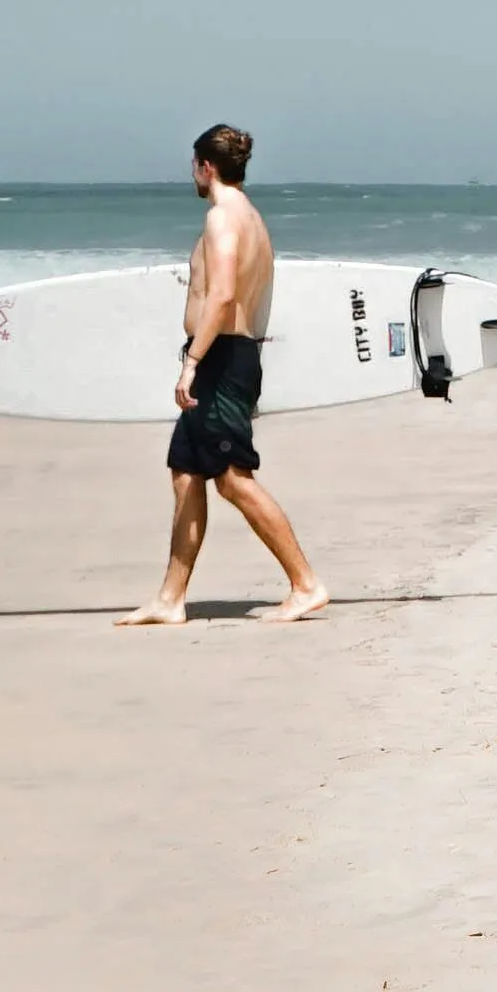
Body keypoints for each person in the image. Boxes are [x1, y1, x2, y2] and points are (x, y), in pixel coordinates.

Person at [120, 123, 329, 625]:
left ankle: (306, 584)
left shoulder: (222, 219)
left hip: (221, 358)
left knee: (233, 478)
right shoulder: (251, 217)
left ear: (205, 166)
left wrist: (193, 363)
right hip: (227, 354)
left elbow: (223, 295)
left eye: (193, 166)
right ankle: (170, 599)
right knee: (187, 475)